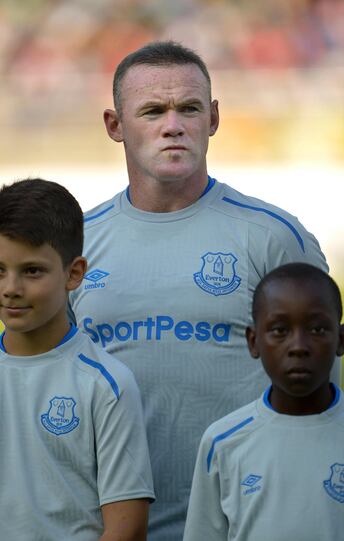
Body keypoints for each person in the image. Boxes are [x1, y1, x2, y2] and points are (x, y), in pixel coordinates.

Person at [68, 41, 340, 540]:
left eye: (189, 108)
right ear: (114, 125)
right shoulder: (75, 243)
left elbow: (329, 397)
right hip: (112, 528)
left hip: (249, 523)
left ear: (212, 118)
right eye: (152, 110)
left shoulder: (276, 237)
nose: (173, 124)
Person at [0, 178, 154, 541]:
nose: (10, 288)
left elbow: (128, 527)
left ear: (74, 273)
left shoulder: (106, 384)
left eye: (32, 271)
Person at [183, 262, 344, 541]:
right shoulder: (223, 442)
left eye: (317, 330)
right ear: (254, 341)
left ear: (341, 340)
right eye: (280, 330)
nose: (298, 346)